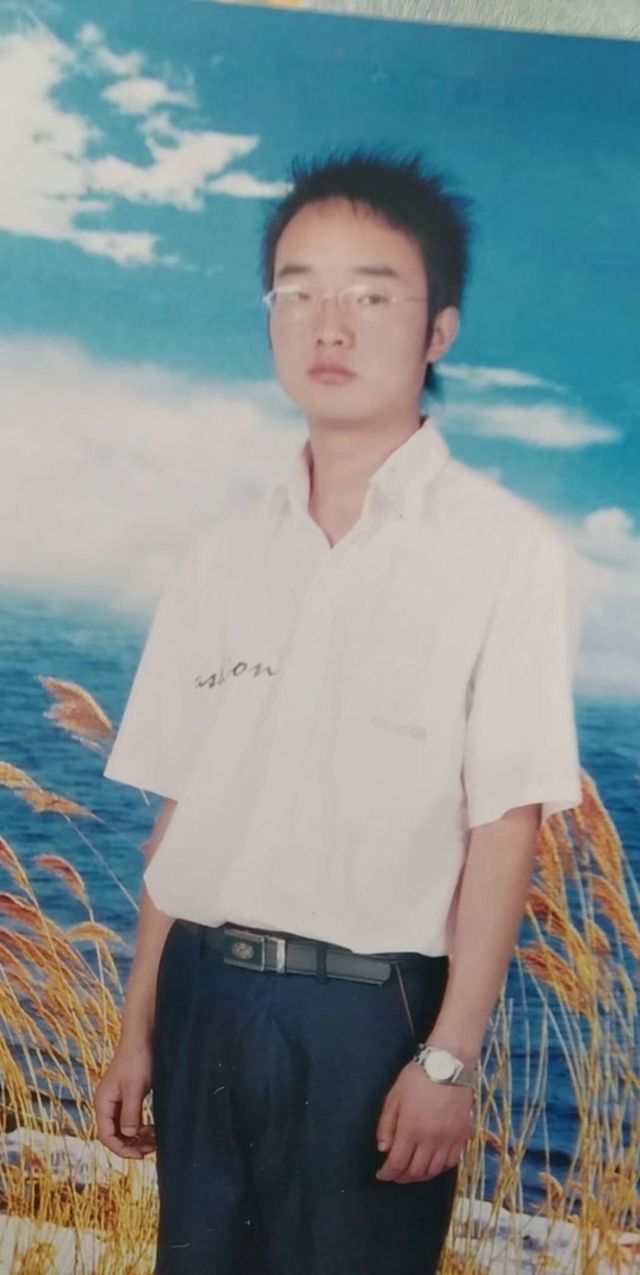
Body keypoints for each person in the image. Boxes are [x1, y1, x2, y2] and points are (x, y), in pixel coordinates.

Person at [94, 149, 584, 1275]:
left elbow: (506, 821)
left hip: (371, 1018)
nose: (330, 324)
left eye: (372, 295)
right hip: (205, 999)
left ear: (438, 330)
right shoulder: (223, 556)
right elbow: (183, 813)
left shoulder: (501, 552)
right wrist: (136, 1028)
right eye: (299, 291)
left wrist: (449, 1058)